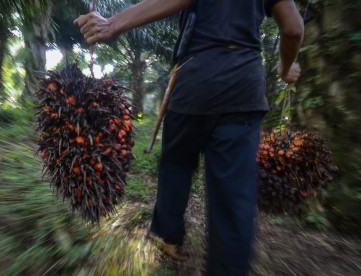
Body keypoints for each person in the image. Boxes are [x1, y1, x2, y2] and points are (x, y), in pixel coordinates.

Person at [74, 0, 303, 275]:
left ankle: (167, 233)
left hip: (194, 82)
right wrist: (285, 67)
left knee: (176, 162)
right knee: (233, 200)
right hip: (243, 88)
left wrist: (112, 23)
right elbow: (292, 29)